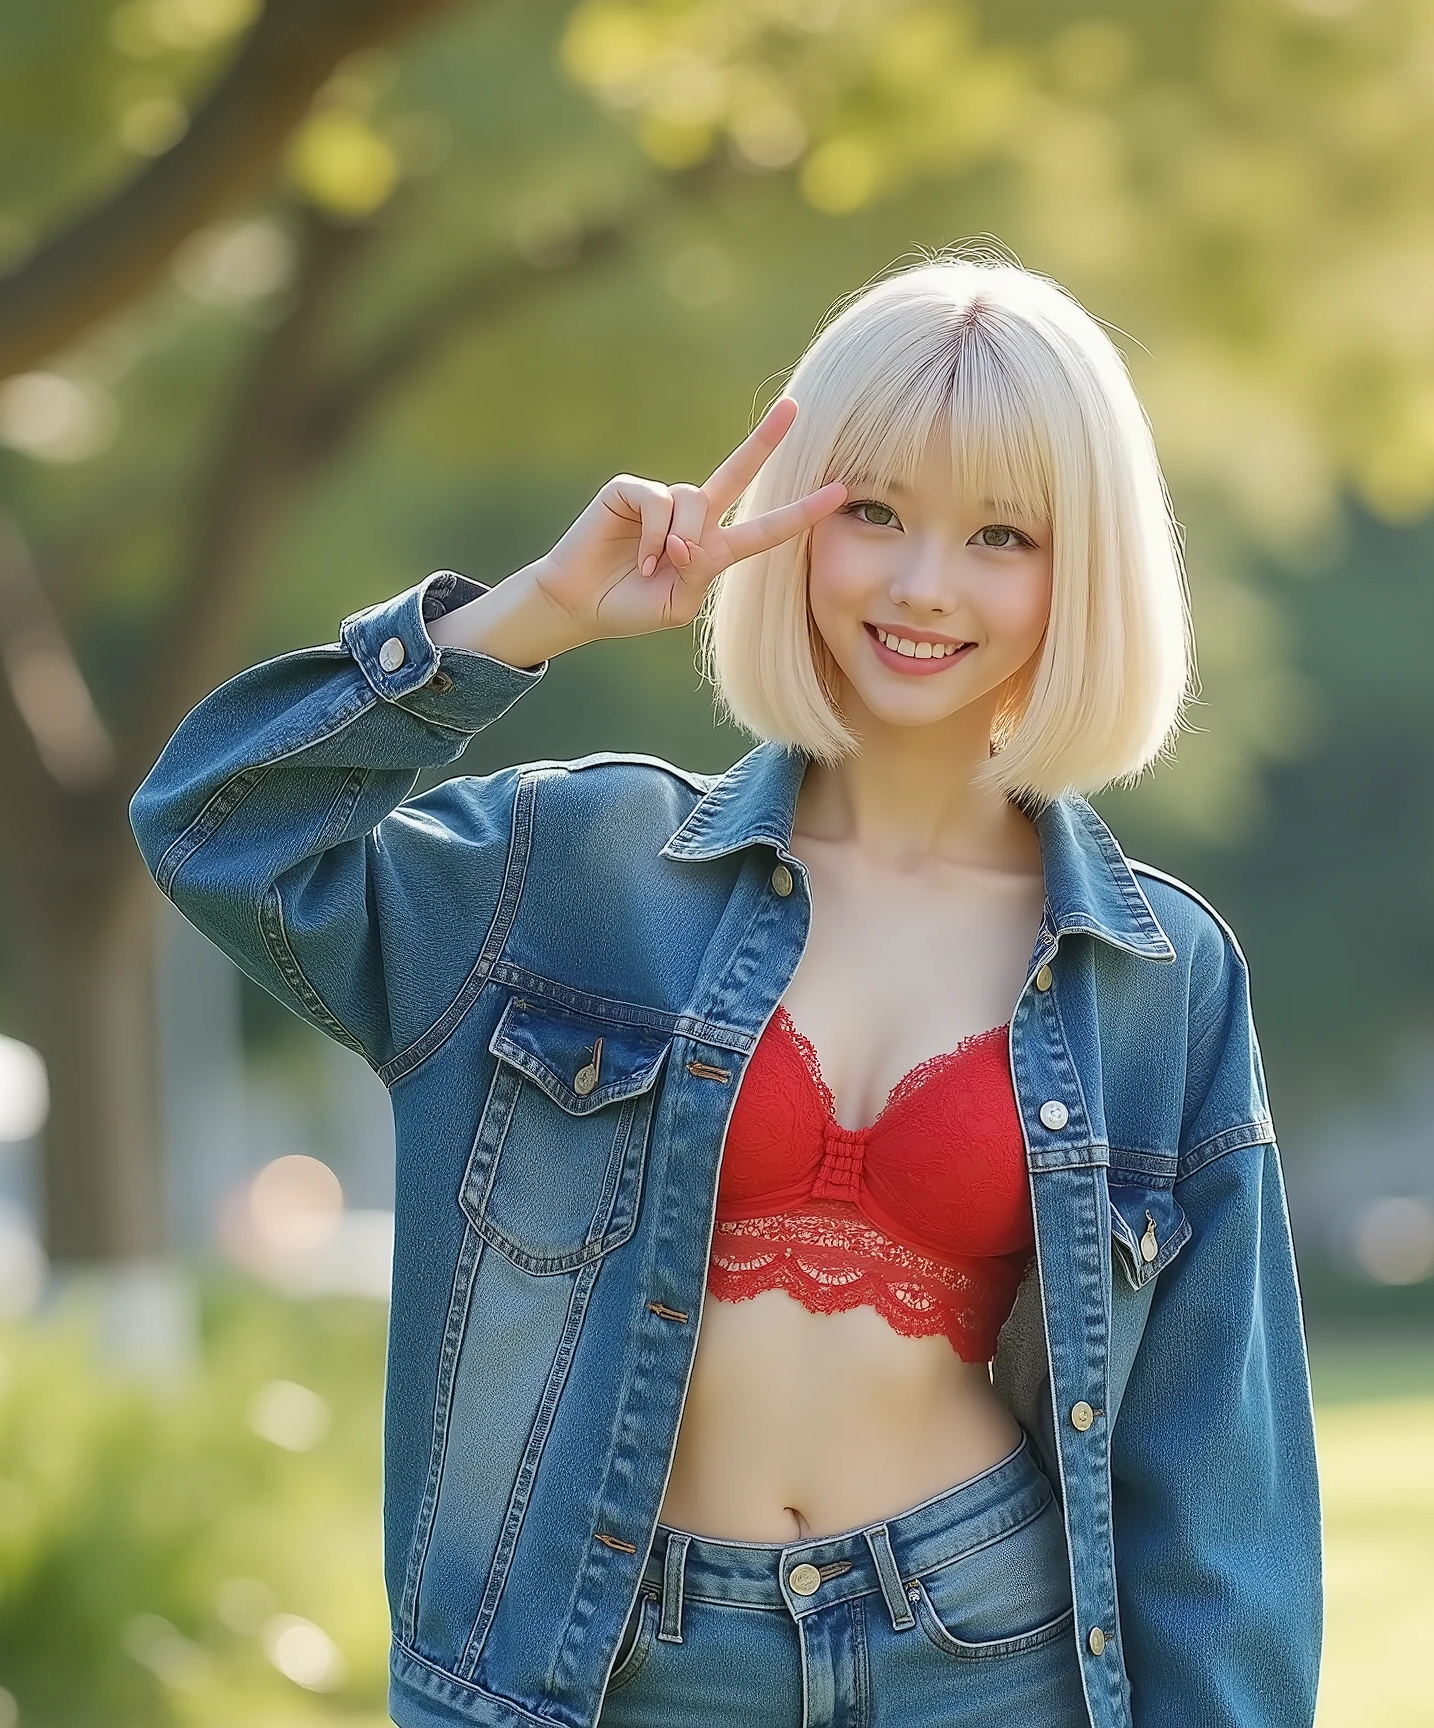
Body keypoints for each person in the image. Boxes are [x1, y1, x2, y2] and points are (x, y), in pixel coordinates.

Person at [135, 253, 1320, 1728]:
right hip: (623, 1663)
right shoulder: (571, 872)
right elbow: (217, 831)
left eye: (1001, 534)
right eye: (874, 513)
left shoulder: (1157, 974)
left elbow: (1216, 1492)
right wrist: (536, 615)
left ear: (1084, 574)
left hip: (985, 1657)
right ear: (796, 513)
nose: (923, 584)